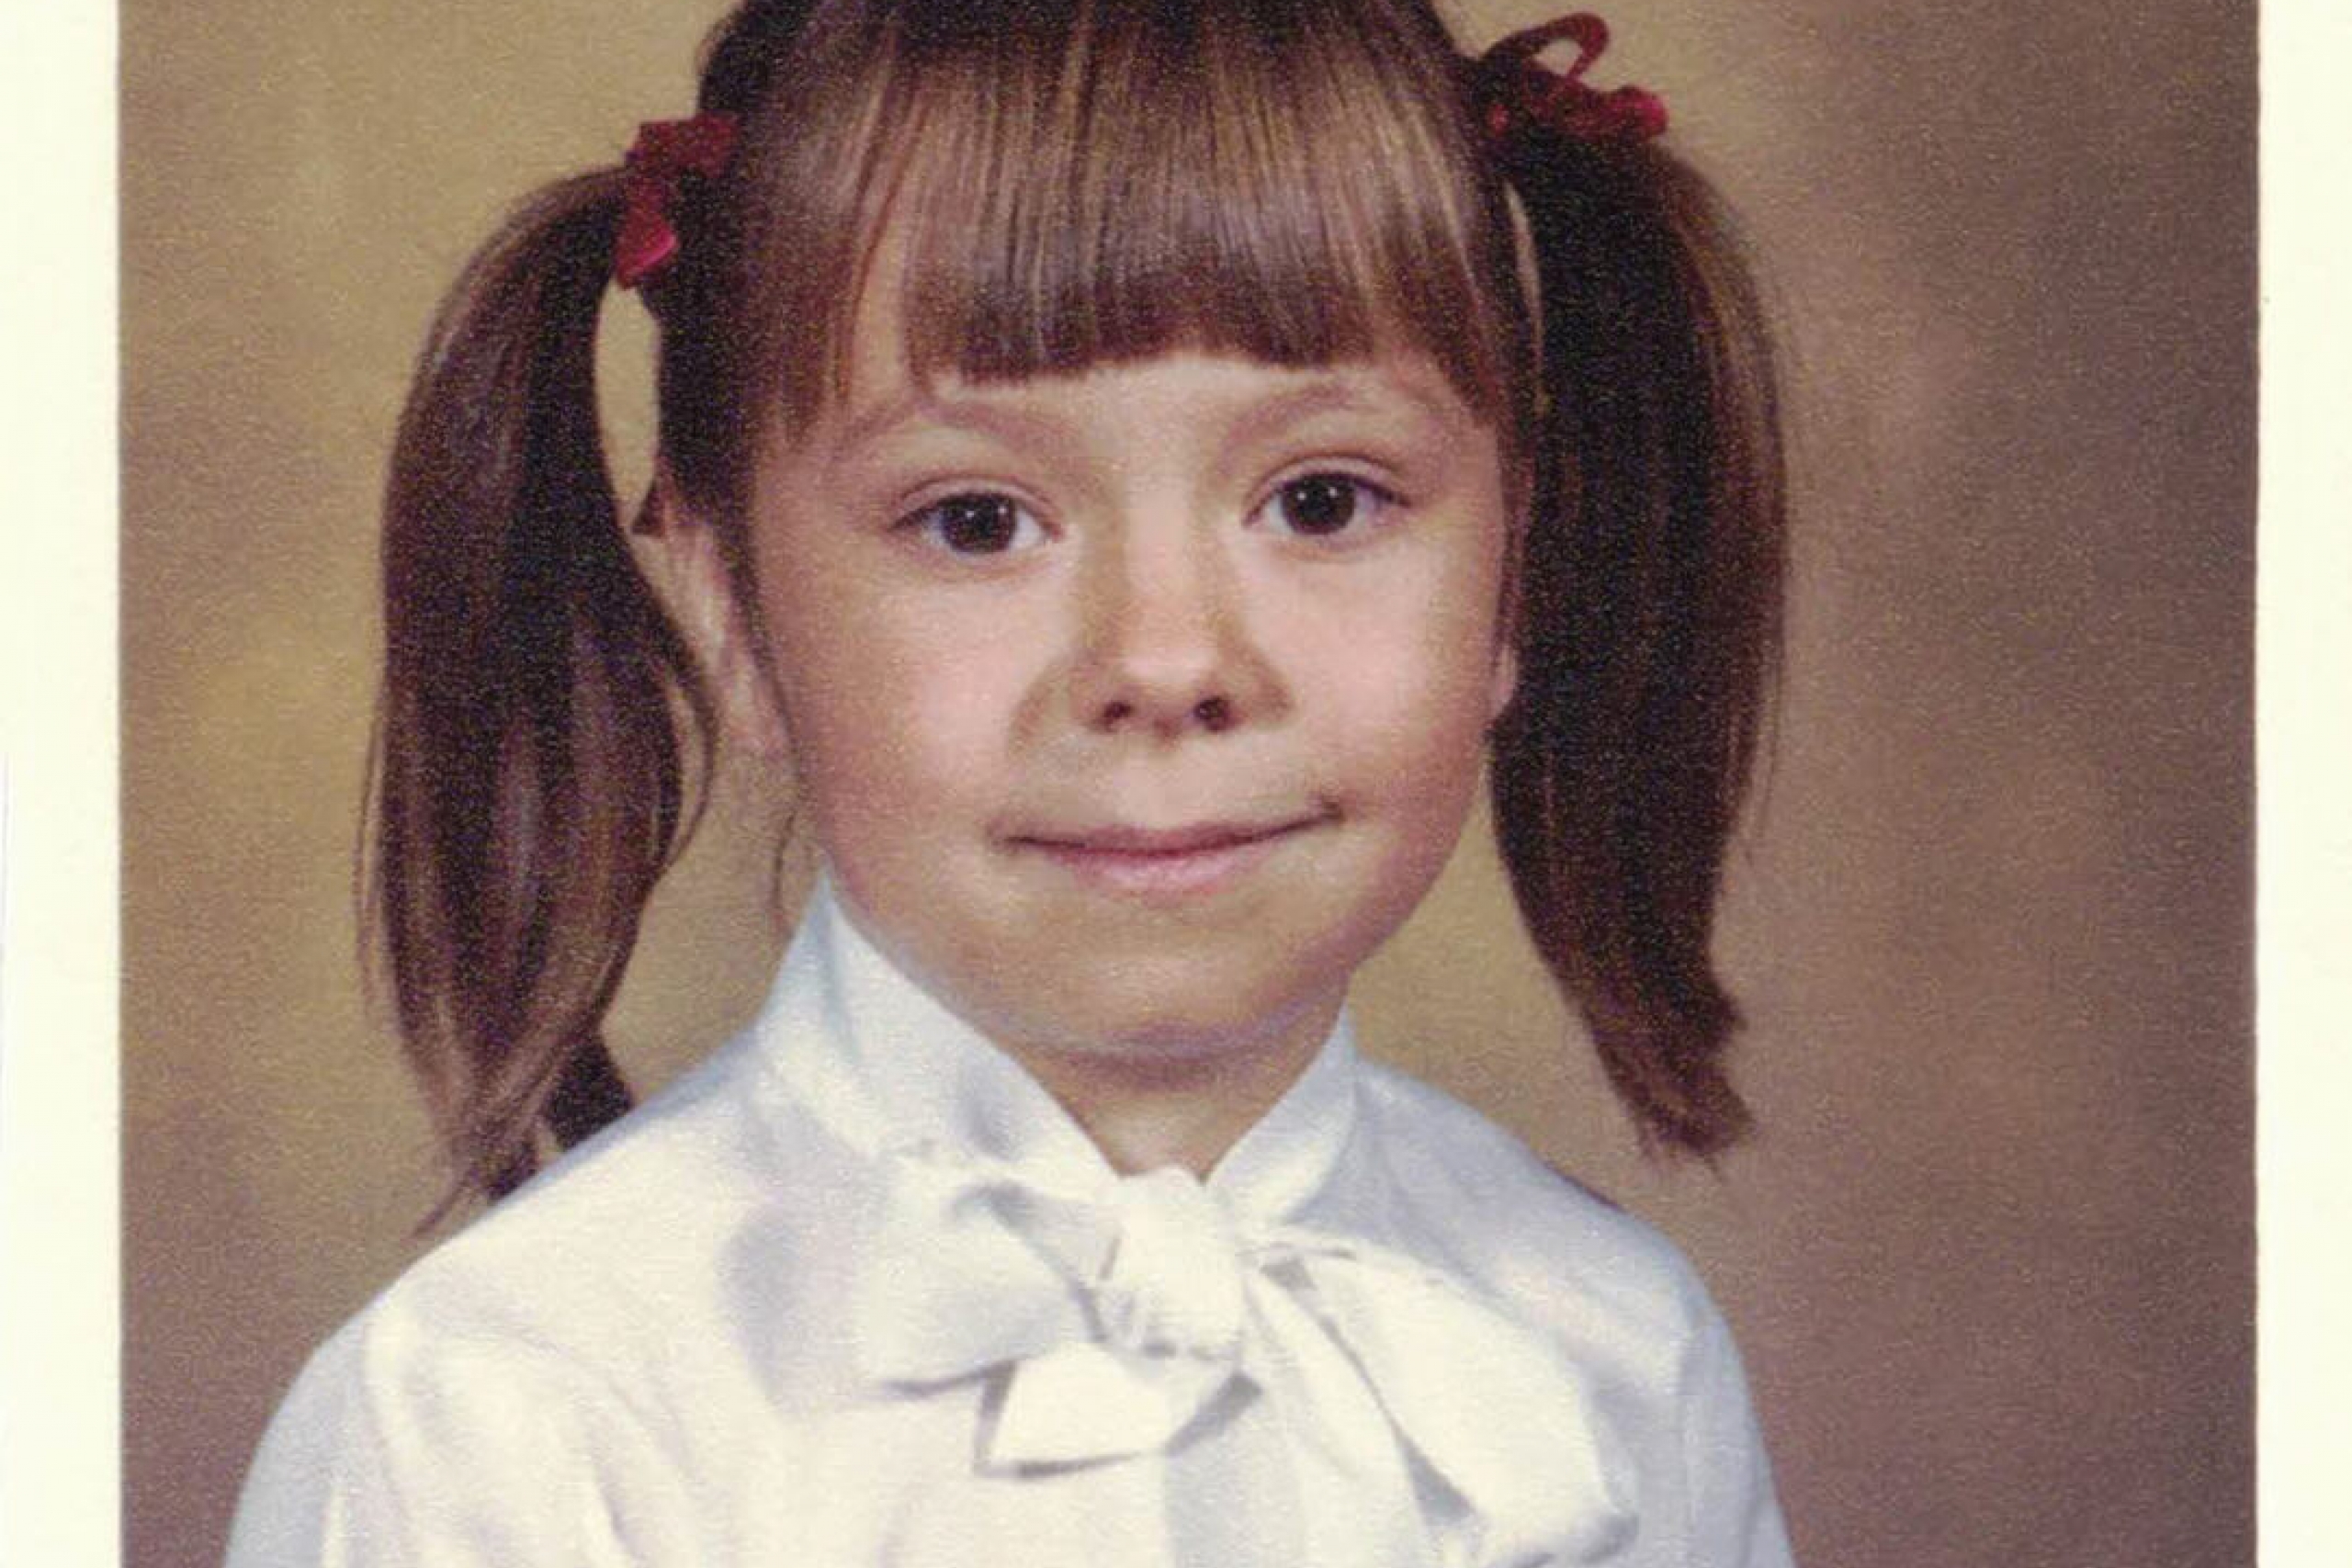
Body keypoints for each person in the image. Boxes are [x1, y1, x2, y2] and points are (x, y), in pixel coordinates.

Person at [226, 1, 1795, 1562]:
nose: (1167, 660)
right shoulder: (498, 1423)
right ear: (734, 615)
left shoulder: (1619, 1349)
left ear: (1518, 570)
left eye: (1323, 499)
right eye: (977, 521)